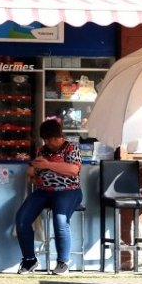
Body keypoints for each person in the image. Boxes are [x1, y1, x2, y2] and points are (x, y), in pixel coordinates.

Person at [15, 118, 83, 275]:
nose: (50, 143)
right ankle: (29, 260)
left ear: (59, 137)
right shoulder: (42, 150)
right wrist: (32, 170)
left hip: (68, 190)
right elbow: (35, 168)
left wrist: (48, 165)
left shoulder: (71, 148)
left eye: (52, 140)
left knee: (60, 221)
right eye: (46, 140)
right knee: (22, 219)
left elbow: (74, 170)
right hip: (44, 191)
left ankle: (62, 262)